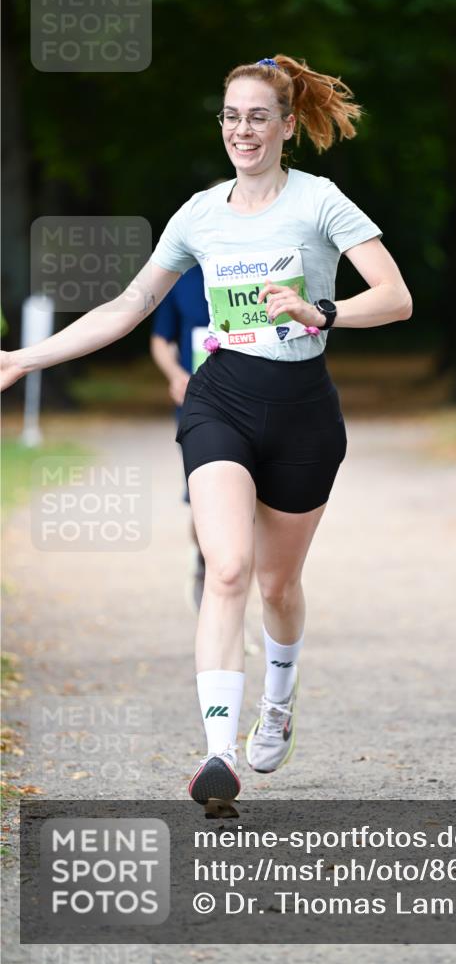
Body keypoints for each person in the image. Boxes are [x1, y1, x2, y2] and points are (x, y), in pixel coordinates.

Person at [1, 54, 412, 813]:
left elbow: (394, 297)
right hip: (219, 400)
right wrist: (25, 358)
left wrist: (321, 311)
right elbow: (128, 305)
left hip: (302, 414)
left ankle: (277, 702)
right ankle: (218, 749)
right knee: (224, 568)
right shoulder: (197, 214)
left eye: (258, 116)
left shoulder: (320, 202)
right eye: (231, 116)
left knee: (276, 584)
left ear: (287, 126)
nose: (242, 129)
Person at [150, 264, 210, 609]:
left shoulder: (256, 268)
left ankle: (234, 604)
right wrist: (175, 374)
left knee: (253, 508)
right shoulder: (183, 280)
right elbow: (161, 340)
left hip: (255, 398)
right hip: (198, 404)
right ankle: (205, 562)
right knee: (205, 500)